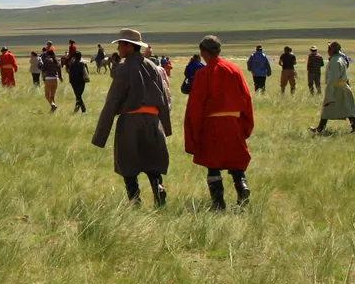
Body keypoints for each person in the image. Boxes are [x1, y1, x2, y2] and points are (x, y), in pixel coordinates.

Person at [92, 29, 172, 207]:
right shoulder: (153, 66)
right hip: (153, 120)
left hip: (130, 121)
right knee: (153, 160)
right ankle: (158, 189)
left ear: (130, 46)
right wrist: (166, 127)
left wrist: (100, 136)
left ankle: (135, 203)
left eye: (121, 44)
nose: (119, 48)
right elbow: (164, 99)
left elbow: (113, 101)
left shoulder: (124, 68)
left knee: (127, 162)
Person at [184, 35, 255, 210]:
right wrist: (245, 125)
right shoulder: (234, 69)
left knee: (213, 163)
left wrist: (195, 128)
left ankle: (218, 203)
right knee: (235, 160)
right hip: (233, 122)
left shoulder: (204, 73)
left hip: (212, 125)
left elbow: (196, 104)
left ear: (203, 52)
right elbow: (246, 98)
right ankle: (242, 187)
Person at [311, 42, 355, 134]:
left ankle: (320, 128)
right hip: (341, 87)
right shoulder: (340, 59)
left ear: (332, 50)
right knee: (345, 108)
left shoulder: (336, 62)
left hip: (337, 88)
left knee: (330, 107)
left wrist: (329, 90)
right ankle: (320, 128)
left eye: (329, 49)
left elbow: (333, 78)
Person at [40, 44, 61, 112]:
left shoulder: (47, 60)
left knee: (47, 95)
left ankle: (53, 105)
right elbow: (59, 69)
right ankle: (53, 109)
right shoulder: (56, 61)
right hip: (56, 79)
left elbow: (43, 69)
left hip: (49, 78)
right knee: (52, 95)